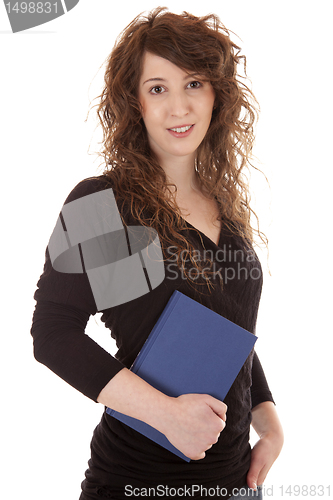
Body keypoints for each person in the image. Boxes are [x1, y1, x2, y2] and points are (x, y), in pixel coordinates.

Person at [30, 7, 284, 499]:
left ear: (217, 95)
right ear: (135, 102)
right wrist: (166, 414)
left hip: (235, 485)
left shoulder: (224, 208)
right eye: (157, 88)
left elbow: (223, 329)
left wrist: (268, 419)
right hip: (135, 483)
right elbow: (53, 332)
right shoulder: (102, 203)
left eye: (193, 84)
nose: (179, 107)